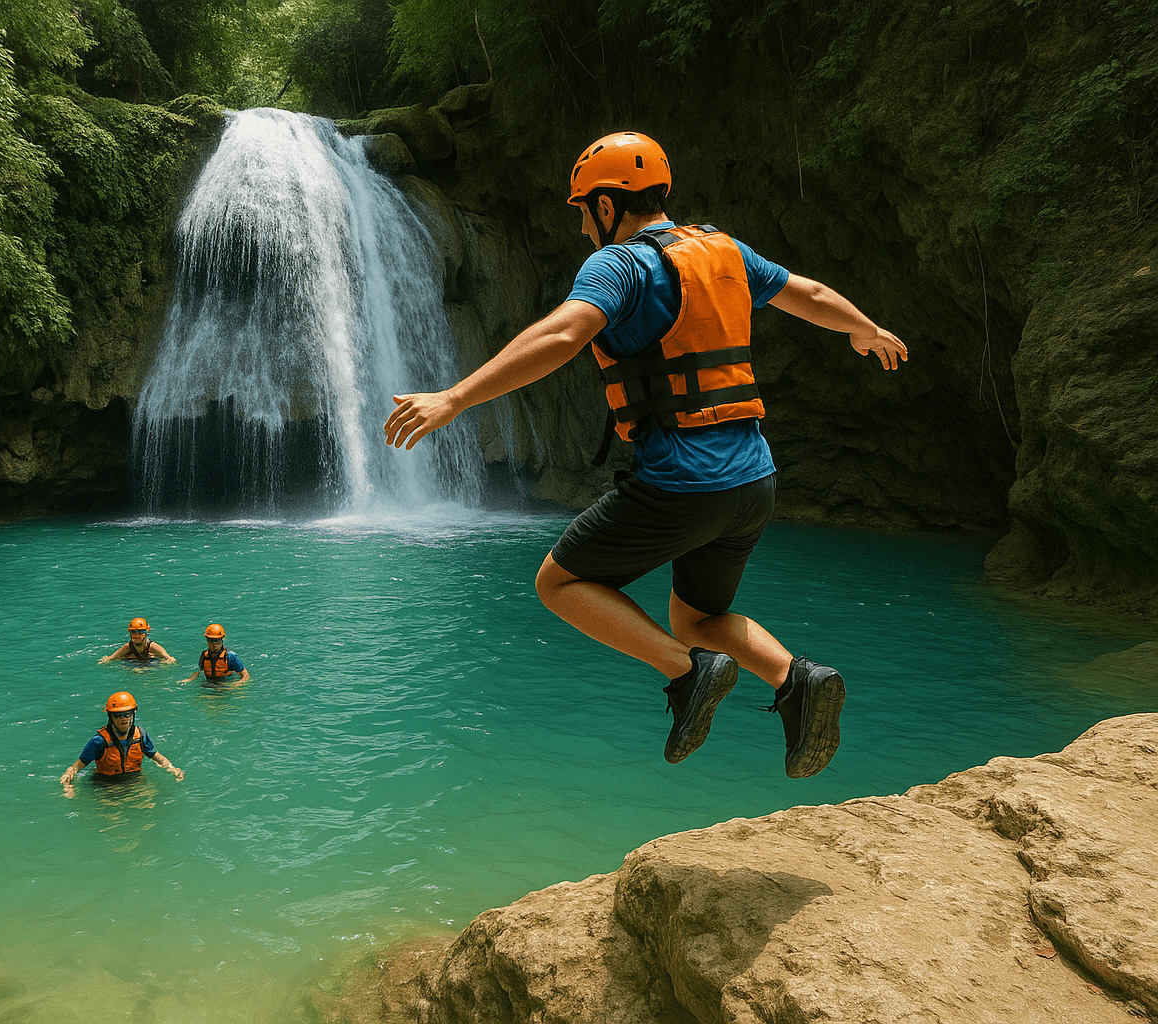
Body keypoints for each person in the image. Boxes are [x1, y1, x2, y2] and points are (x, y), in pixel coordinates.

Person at [383, 131, 907, 778]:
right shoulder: (724, 250)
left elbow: (565, 332)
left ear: (608, 205)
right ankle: (796, 678)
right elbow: (813, 297)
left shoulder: (618, 265)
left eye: (583, 209)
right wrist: (865, 330)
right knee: (698, 615)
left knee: (561, 581)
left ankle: (685, 674)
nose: (580, 224)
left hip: (683, 482)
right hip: (753, 481)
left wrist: (455, 399)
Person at [59, 691, 183, 797]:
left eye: (127, 714)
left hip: (134, 779)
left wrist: (172, 769)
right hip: (105, 783)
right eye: (117, 715)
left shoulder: (140, 735)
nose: (123, 718)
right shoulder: (99, 741)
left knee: (148, 804)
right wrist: (67, 785)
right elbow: (75, 767)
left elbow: (157, 757)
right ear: (110, 717)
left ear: (133, 714)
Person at [182, 623, 250, 686]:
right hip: (208, 684)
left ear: (222, 640)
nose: (214, 644)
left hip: (226, 685)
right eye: (211, 641)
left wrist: (238, 684)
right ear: (207, 640)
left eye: (217, 641)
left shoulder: (230, 656)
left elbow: (245, 675)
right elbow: (198, 672)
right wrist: (189, 680)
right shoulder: (204, 655)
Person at [99, 617, 177, 665]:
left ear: (146, 632)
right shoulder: (128, 647)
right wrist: (104, 661)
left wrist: (167, 662)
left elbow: (170, 659)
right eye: (133, 632)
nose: (136, 635)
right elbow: (112, 657)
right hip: (134, 667)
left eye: (140, 632)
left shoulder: (152, 646)